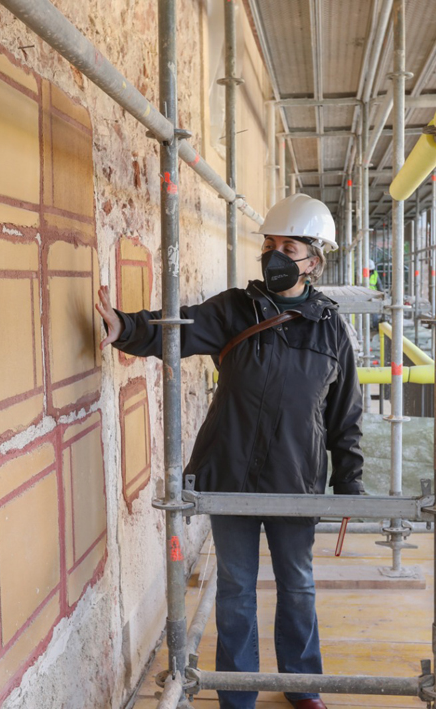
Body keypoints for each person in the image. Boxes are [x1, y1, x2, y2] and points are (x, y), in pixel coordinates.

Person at [96, 193, 364, 709]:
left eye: (289, 246)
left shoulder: (332, 329)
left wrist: (348, 486)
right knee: (237, 591)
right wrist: (126, 327)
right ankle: (237, 695)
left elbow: (344, 417)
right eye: (269, 245)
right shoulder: (236, 309)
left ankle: (301, 687)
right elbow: (177, 328)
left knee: (298, 587)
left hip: (295, 481)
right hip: (231, 473)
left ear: (315, 259)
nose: (276, 255)